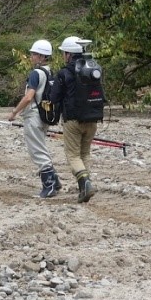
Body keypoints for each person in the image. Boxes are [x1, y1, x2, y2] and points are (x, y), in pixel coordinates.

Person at [8, 39, 62, 198]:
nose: (31, 56)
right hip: (44, 116)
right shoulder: (49, 72)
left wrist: (14, 113)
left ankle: (49, 186)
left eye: (33, 54)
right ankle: (55, 181)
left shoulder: (35, 74)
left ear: (41, 56)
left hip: (33, 116)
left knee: (37, 151)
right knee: (41, 147)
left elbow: (28, 97)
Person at [49, 36, 98, 203]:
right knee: (85, 153)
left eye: (64, 53)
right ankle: (84, 187)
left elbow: (54, 97)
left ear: (69, 54)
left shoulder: (64, 73)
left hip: (72, 120)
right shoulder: (92, 69)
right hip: (92, 119)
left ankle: (85, 184)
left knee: (73, 155)